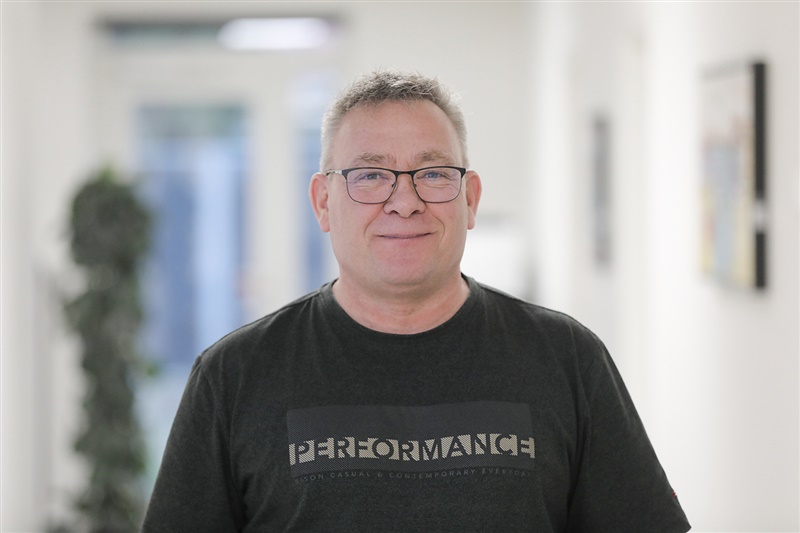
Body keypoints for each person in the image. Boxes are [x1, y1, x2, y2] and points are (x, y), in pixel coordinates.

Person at [142, 70, 690, 532]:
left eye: (433, 173)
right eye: (370, 175)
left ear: (470, 199)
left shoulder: (567, 358)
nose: (404, 201)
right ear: (323, 202)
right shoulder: (234, 375)